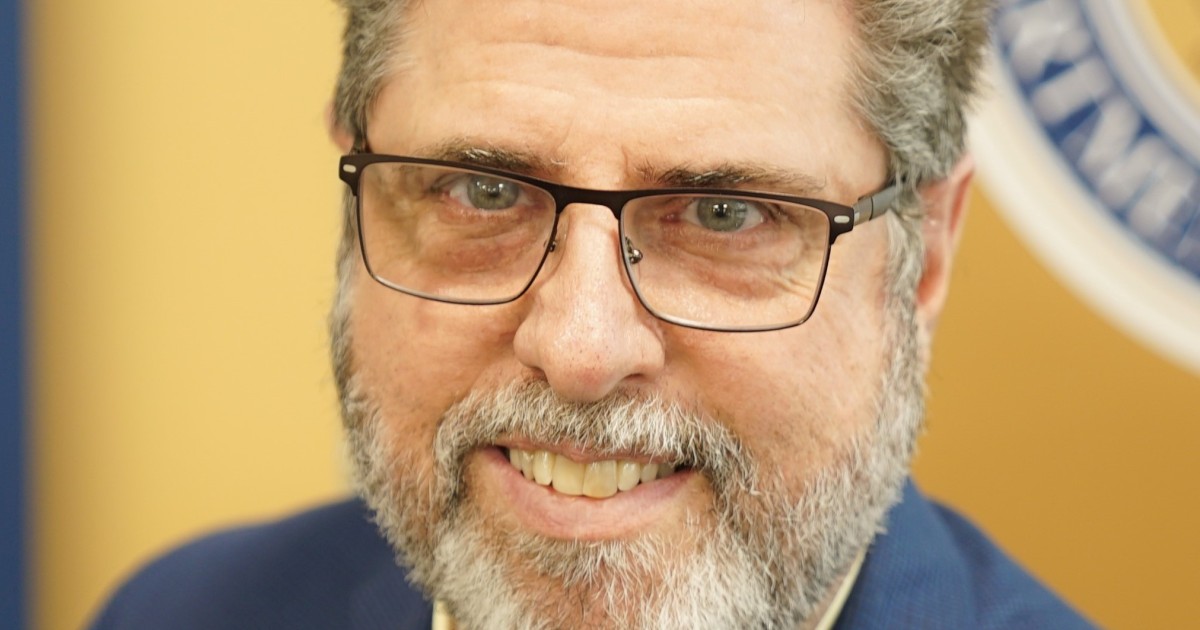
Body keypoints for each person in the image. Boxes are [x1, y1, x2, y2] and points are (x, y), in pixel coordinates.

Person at [91, 0, 1096, 628]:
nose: (580, 348)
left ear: (925, 254)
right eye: (483, 193)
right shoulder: (188, 612)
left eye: (724, 214)